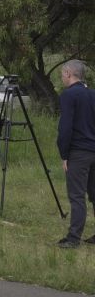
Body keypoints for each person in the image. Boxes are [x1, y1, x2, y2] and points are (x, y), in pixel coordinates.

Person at [55, 60, 95, 249]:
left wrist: (64, 154)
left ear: (69, 73)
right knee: (93, 193)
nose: (62, 78)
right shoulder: (92, 94)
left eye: (63, 74)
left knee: (77, 195)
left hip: (78, 151)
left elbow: (65, 127)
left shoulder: (69, 95)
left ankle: (73, 238)